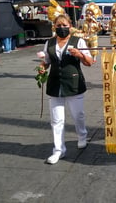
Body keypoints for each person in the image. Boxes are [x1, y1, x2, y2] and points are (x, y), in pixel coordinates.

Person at [38, 14, 94, 164]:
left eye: (64, 25)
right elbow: (47, 61)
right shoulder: (49, 43)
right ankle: (58, 150)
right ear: (54, 27)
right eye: (58, 25)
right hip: (55, 84)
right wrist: (42, 67)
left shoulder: (78, 41)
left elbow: (90, 62)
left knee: (78, 115)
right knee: (57, 120)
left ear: (70, 26)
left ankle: (82, 135)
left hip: (74, 83)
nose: (61, 28)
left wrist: (80, 54)